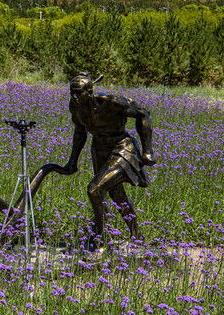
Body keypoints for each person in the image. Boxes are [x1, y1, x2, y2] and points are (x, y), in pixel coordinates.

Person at [61, 72, 155, 250]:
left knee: (95, 189)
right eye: (71, 92)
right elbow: (80, 132)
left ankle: (103, 241)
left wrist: (147, 151)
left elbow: (144, 114)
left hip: (122, 148)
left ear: (89, 91)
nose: (74, 97)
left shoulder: (111, 102)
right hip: (99, 149)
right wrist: (72, 161)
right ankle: (137, 236)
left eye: (78, 92)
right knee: (115, 194)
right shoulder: (76, 107)